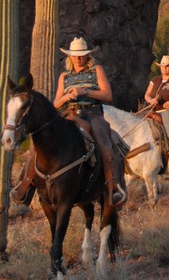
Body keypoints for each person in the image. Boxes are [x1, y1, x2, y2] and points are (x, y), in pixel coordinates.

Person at [11, 37, 127, 208]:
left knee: (105, 145)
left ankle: (113, 188)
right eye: (75, 55)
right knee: (39, 143)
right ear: (70, 57)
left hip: (92, 114)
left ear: (88, 55)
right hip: (68, 114)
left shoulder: (96, 70)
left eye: (82, 55)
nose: (78, 58)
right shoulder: (64, 76)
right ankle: (26, 185)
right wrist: (66, 97)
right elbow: (55, 104)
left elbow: (107, 95)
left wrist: (85, 91)